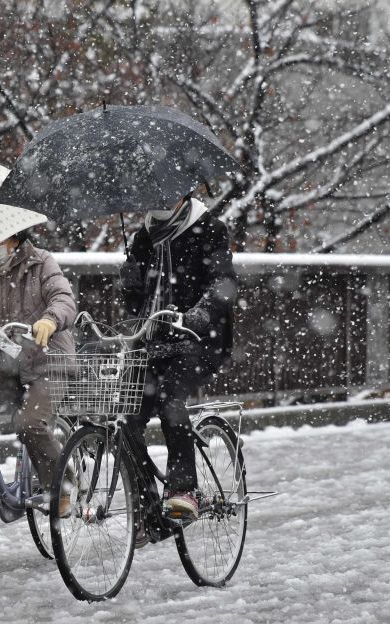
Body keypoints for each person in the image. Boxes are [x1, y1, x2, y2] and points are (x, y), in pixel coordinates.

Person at [120, 192, 238, 521]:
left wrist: (198, 315)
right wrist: (129, 281)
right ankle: (146, 506)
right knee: (125, 415)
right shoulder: (143, 239)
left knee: (171, 399)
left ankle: (183, 489)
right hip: (152, 340)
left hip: (198, 339)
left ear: (183, 195)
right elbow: (136, 304)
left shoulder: (209, 229)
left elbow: (223, 281)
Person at [0, 230, 76, 511]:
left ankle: (63, 485)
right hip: (7, 363)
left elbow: (63, 298)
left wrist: (50, 319)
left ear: (15, 239)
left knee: (29, 423)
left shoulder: (41, 262)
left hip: (48, 360)